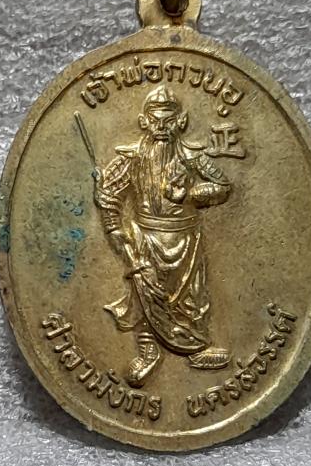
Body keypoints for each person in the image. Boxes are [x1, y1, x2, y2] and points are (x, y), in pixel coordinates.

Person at [94, 85, 232, 387]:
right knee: (146, 296)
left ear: (181, 122)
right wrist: (114, 228)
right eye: (155, 121)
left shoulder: (192, 158)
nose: (161, 128)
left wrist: (192, 194)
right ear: (144, 121)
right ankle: (148, 351)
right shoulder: (131, 158)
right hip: (146, 238)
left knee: (192, 298)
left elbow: (223, 186)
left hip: (186, 239)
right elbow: (109, 197)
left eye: (168, 121)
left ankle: (196, 348)